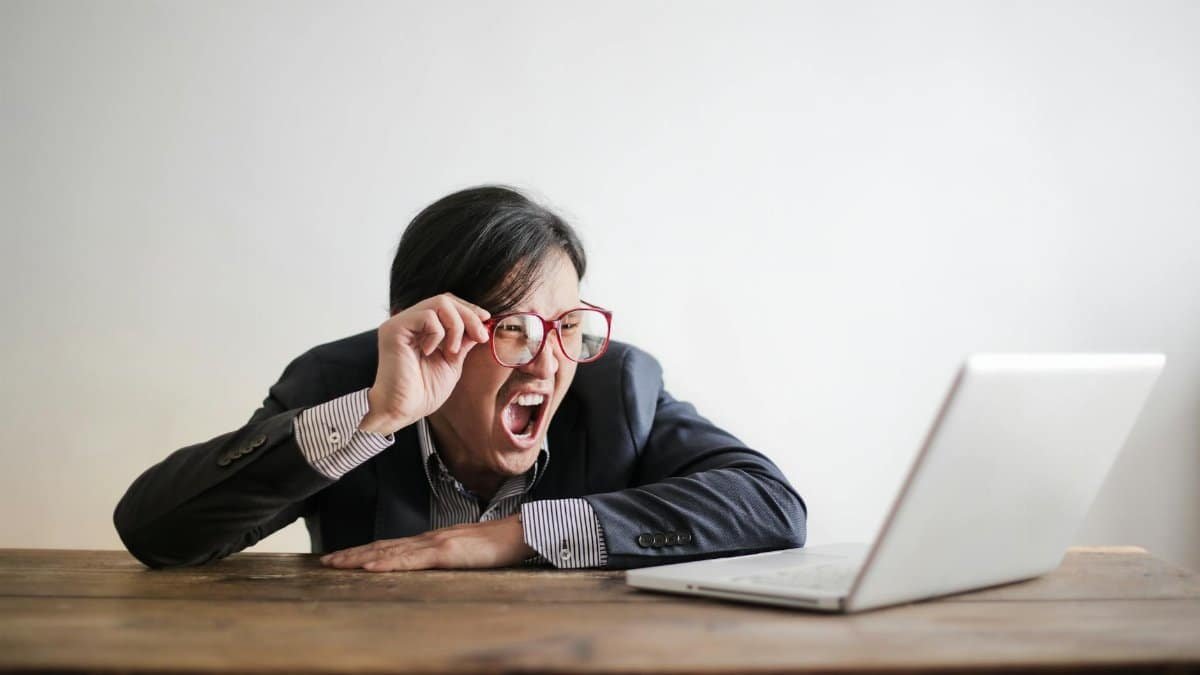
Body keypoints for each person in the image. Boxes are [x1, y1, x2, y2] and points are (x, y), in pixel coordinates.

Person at [114, 185, 807, 570]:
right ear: (425, 326)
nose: (547, 360)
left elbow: (772, 505)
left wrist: (510, 535)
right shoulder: (340, 382)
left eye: (567, 324)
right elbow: (155, 531)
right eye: (512, 327)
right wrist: (373, 419)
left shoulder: (616, 385)